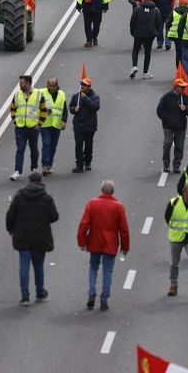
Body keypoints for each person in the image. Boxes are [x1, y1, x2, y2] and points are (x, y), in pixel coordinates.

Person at [5, 171, 59, 305]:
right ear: (41, 182)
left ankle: (25, 296)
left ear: (29, 181)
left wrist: (10, 229)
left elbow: (10, 215)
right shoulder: (47, 198)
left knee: (24, 265)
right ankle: (40, 291)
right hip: (40, 237)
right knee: (38, 265)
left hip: (22, 235)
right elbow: (54, 217)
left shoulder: (19, 196)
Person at [77, 180, 130, 311]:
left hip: (95, 241)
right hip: (110, 243)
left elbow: (84, 224)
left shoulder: (92, 204)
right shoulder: (118, 207)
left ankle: (91, 292)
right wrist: (125, 247)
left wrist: (82, 241)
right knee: (107, 271)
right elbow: (124, 230)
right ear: (113, 191)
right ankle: (104, 299)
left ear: (101, 190)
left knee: (93, 267)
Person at [156, 77, 188, 174]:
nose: (183, 89)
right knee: (168, 143)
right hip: (168, 126)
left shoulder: (184, 97)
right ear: (176, 87)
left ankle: (177, 164)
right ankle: (166, 163)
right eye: (182, 87)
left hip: (181, 126)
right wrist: (167, 119)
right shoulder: (166, 97)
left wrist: (185, 108)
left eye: (184, 87)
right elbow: (160, 110)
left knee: (179, 146)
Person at [9, 74, 42, 181]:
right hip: (21, 127)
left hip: (33, 127)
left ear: (28, 84)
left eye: (21, 83)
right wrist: (15, 121)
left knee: (34, 149)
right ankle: (17, 171)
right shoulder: (17, 94)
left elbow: (44, 110)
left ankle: (34, 169)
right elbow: (13, 108)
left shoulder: (38, 94)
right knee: (20, 149)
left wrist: (39, 124)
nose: (19, 84)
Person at [69, 76, 99, 173]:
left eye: (85, 85)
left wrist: (85, 98)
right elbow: (71, 107)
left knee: (88, 145)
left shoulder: (95, 97)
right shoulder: (76, 97)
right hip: (78, 125)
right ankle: (79, 164)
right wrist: (74, 109)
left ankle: (88, 162)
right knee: (78, 145)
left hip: (89, 126)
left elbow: (95, 107)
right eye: (81, 84)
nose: (82, 86)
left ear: (89, 87)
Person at [37, 77, 66, 176]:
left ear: (57, 85)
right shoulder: (42, 93)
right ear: (47, 85)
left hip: (56, 124)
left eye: (54, 86)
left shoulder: (61, 94)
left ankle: (49, 165)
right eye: (50, 86)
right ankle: (45, 165)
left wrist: (64, 121)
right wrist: (44, 111)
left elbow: (64, 109)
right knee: (46, 144)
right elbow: (36, 106)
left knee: (53, 146)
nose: (52, 88)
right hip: (45, 123)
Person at [129, 0, 160, 78]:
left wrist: (133, 32)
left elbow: (132, 22)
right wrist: (155, 32)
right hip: (150, 34)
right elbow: (158, 23)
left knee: (135, 50)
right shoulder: (155, 10)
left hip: (139, 33)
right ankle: (145, 72)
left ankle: (134, 66)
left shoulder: (138, 9)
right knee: (147, 52)